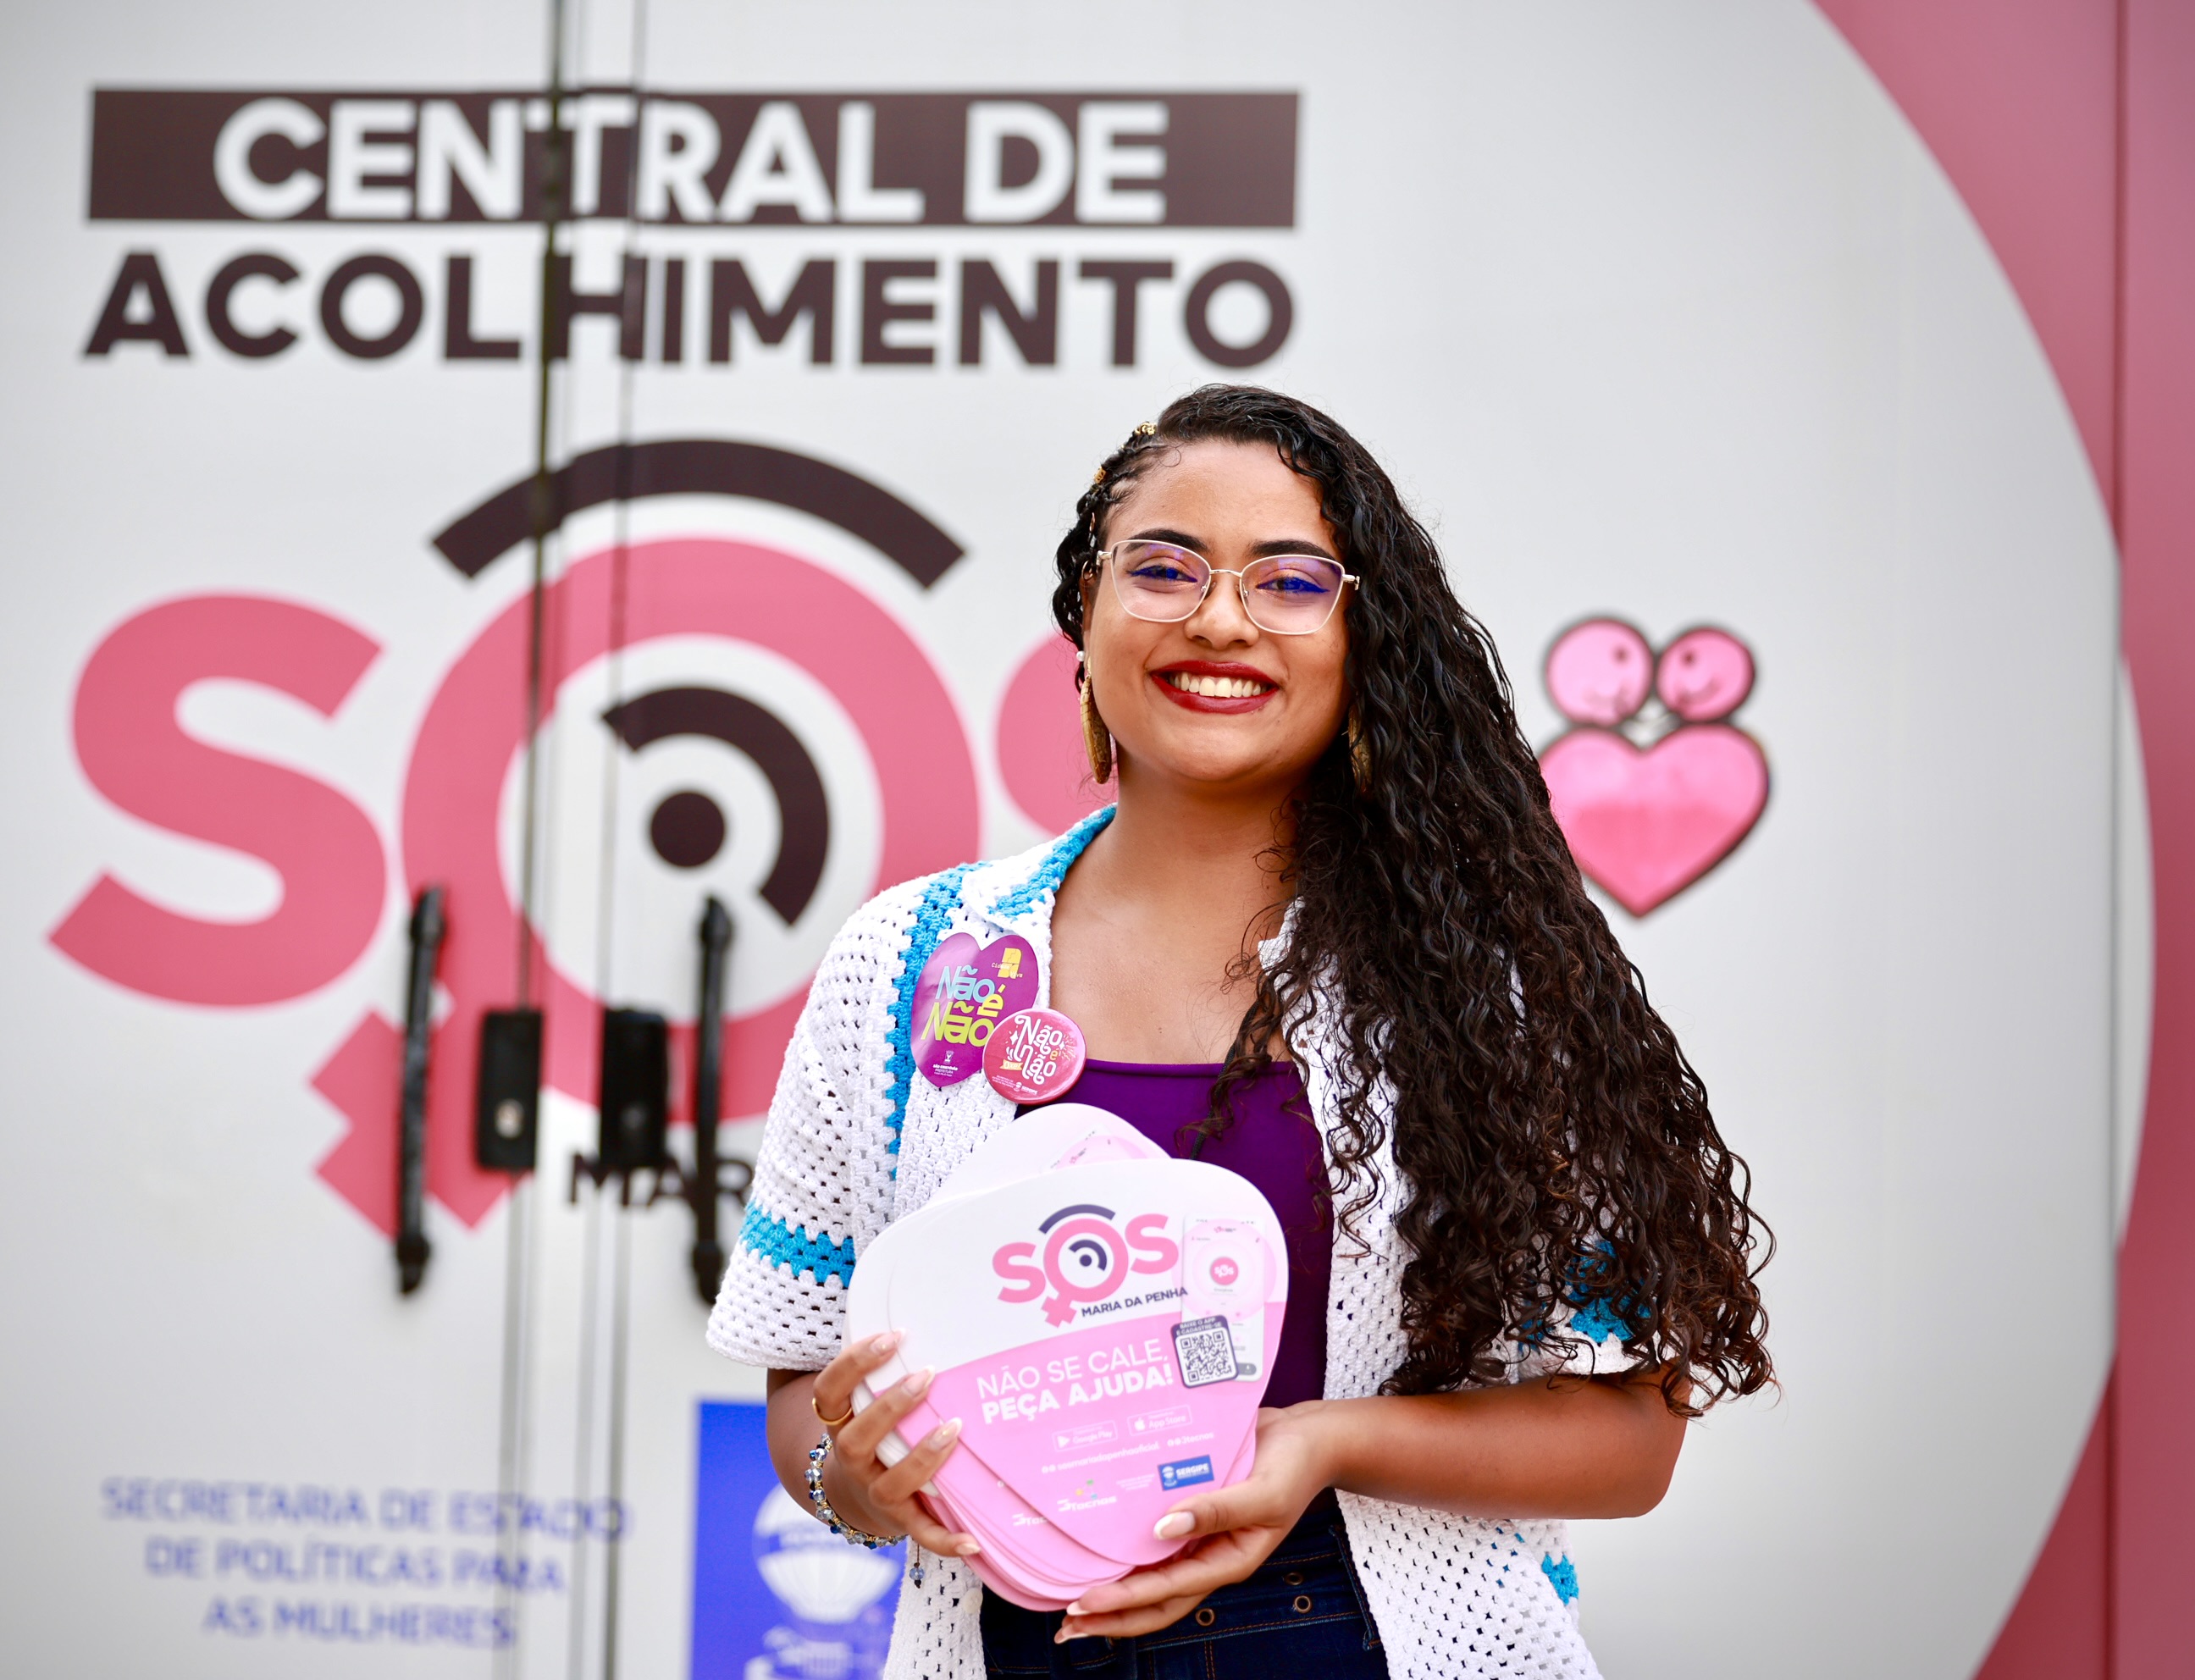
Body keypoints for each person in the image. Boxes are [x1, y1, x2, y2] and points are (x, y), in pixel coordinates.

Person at [705, 384, 1772, 1679]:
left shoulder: (1477, 994)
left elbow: (1629, 1434)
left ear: (1365, 642)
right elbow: (802, 1378)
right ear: (1086, 612)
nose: (1218, 617)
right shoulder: (909, 962)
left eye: (1290, 582)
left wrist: (1319, 1444)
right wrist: (854, 1484)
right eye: (1163, 566)